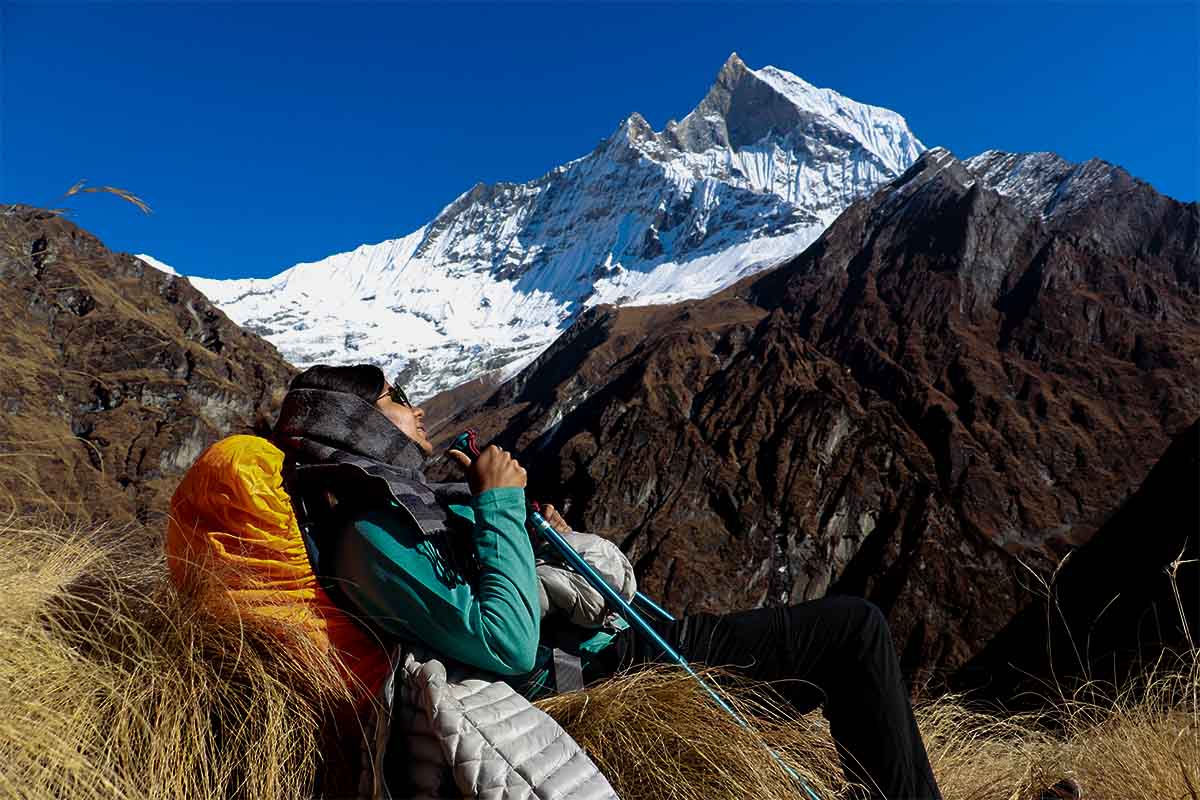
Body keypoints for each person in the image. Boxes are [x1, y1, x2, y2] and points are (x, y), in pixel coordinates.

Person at [271, 363, 944, 800]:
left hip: (603, 655)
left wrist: (526, 533)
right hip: (599, 673)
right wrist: (501, 505)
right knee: (853, 633)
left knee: (847, 636)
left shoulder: (403, 512)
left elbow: (487, 591)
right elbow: (504, 643)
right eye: (398, 400)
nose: (419, 413)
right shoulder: (369, 539)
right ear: (355, 421)